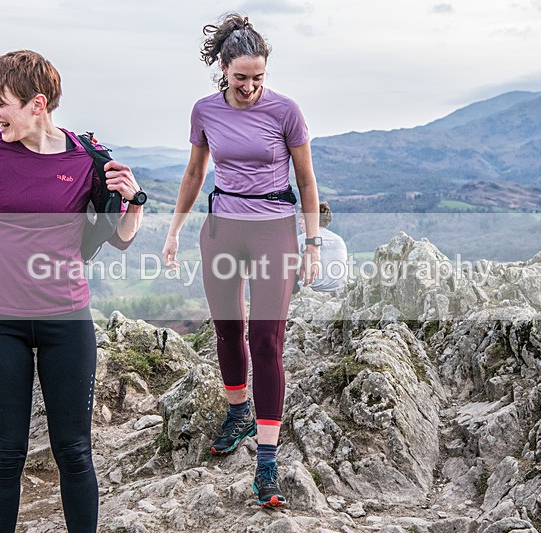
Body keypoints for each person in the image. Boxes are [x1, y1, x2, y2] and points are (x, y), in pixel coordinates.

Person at [0, 50, 143, 533]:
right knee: (4, 457)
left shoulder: (86, 160)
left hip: (67, 320)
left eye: (0, 103)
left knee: (75, 453)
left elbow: (118, 239)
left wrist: (133, 201)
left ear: (37, 104)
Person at [162, 13, 321, 508]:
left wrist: (311, 243)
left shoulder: (286, 111)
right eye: (241, 78)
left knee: (266, 340)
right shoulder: (205, 112)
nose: (250, 87)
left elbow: (307, 181)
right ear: (223, 71)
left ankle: (267, 464)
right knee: (227, 328)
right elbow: (193, 174)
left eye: (258, 77)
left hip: (275, 229)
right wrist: (173, 232)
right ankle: (238, 412)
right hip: (222, 228)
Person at [295, 202, 348, 292]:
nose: (299, 222)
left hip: (311, 292)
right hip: (340, 291)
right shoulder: (339, 240)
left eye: (303, 218)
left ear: (311, 220)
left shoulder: (301, 240)